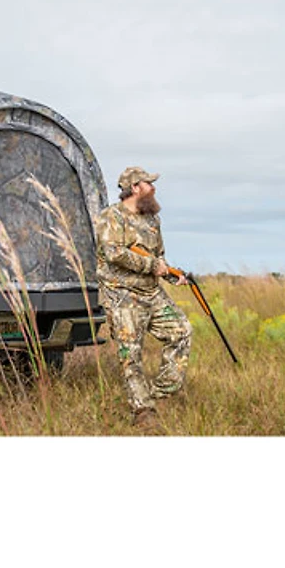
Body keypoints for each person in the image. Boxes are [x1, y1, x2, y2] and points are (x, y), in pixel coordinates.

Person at [95, 167, 193, 428]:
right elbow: (114, 253)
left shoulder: (151, 219)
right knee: (131, 354)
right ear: (135, 187)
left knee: (181, 331)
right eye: (149, 183)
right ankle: (143, 412)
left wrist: (172, 275)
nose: (154, 187)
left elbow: (158, 256)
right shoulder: (110, 217)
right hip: (122, 294)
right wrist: (152, 267)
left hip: (152, 292)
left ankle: (161, 393)